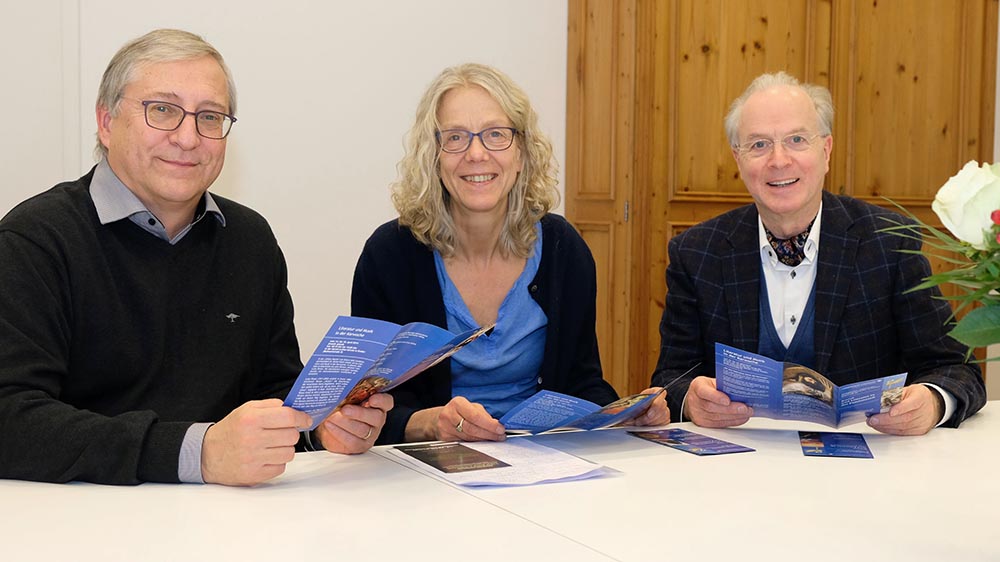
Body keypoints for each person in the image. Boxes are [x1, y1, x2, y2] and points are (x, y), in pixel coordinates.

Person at [0, 29, 390, 486]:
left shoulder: (250, 240)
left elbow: (274, 388)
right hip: (86, 524)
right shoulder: (35, 240)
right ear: (106, 122)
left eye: (210, 117)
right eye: (162, 110)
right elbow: (11, 417)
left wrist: (321, 426)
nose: (188, 138)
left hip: (232, 522)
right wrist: (193, 453)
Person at [650, 71, 986, 435]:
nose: (778, 160)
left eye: (796, 139)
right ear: (738, 160)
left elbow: (957, 369)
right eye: (759, 145)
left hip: (866, 474)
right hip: (737, 473)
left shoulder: (890, 243)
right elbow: (671, 376)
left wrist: (933, 402)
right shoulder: (696, 253)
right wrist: (689, 399)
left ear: (825, 151)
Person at [352, 63, 669, 444]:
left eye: (495, 135)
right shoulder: (389, 256)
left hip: (542, 461)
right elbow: (365, 406)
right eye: (455, 138)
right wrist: (428, 423)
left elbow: (581, 381)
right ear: (433, 156)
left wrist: (625, 415)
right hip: (426, 468)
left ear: (521, 153)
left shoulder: (562, 248)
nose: (476, 154)